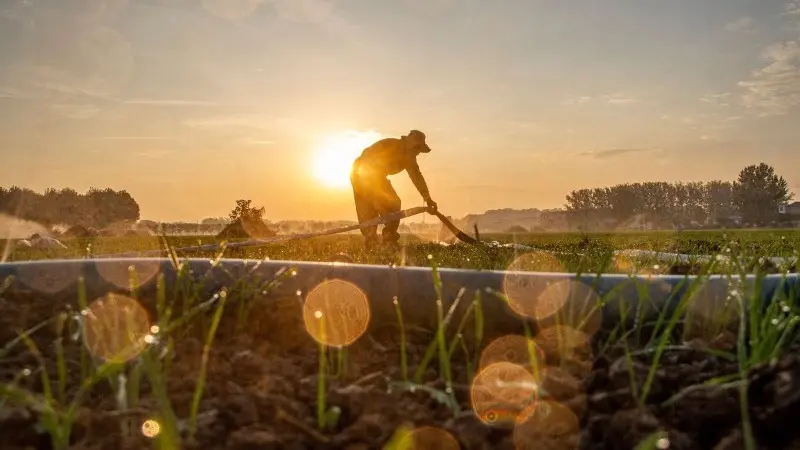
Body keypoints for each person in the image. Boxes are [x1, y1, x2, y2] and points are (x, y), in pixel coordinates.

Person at [350, 129, 438, 250]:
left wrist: (427, 198)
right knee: (391, 204)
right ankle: (385, 239)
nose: (417, 153)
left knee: (378, 209)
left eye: (419, 150)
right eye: (417, 148)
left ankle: (376, 240)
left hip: (364, 174)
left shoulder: (408, 157)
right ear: (409, 142)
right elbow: (367, 157)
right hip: (363, 172)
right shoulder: (391, 145)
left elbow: (416, 176)